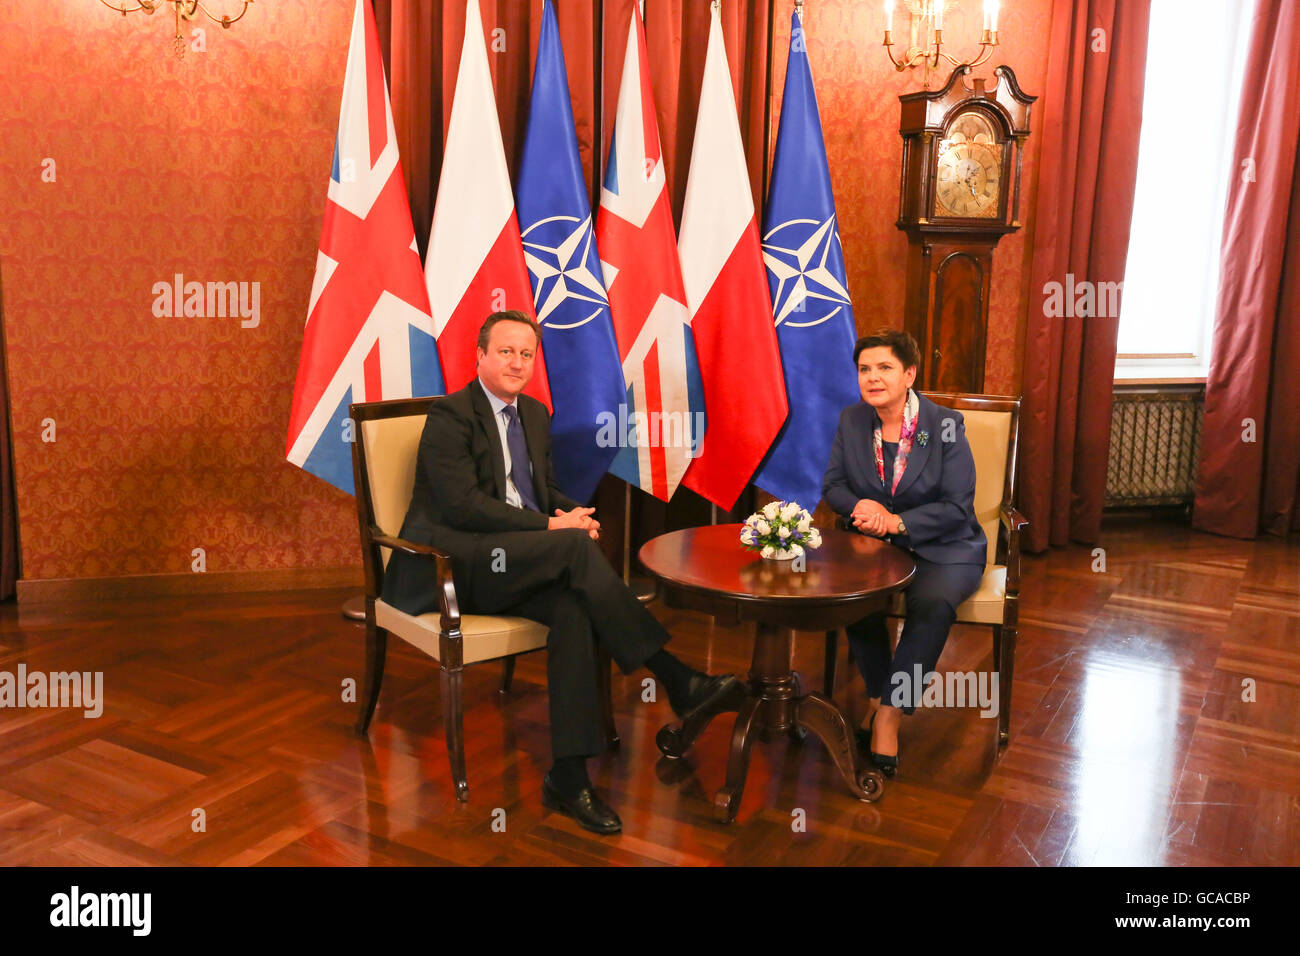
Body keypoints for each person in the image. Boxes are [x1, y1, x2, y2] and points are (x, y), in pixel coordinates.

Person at [382, 310, 737, 834]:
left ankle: (568, 777)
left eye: (526, 354)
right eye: (505, 351)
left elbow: (541, 493)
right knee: (571, 549)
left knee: (573, 610)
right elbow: (462, 507)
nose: (517, 363)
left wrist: (570, 513)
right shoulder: (450, 416)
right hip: (456, 566)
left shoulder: (535, 413)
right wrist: (555, 526)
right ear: (478, 355)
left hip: (517, 559)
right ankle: (676, 678)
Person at [821, 328, 986, 777]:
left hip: (944, 545)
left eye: (885, 368)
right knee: (855, 597)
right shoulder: (852, 420)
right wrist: (860, 506)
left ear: (909, 373)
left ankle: (891, 712)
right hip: (875, 547)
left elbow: (957, 506)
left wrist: (897, 522)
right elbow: (833, 486)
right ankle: (878, 696)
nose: (873, 378)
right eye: (864, 369)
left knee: (931, 605)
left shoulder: (945, 424)